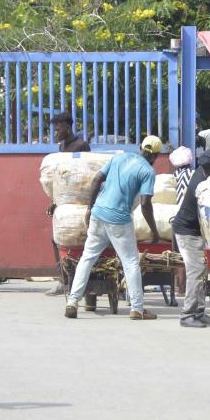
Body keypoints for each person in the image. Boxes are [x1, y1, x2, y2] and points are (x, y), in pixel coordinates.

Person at [64, 136, 163, 320]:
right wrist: (154, 232)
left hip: (98, 213)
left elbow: (96, 180)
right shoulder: (147, 171)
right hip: (119, 219)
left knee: (87, 258)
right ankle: (137, 309)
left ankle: (72, 302)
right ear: (155, 155)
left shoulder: (119, 158)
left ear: (140, 147)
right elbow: (145, 203)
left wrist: (89, 208)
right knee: (131, 263)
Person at [172, 150, 210, 328]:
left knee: (200, 270)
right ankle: (188, 315)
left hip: (193, 231)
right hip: (187, 231)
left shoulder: (204, 175)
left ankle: (199, 312)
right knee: (196, 271)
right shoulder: (202, 184)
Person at [45, 113, 91, 297]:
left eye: (58, 129)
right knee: (56, 239)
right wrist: (54, 201)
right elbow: (62, 176)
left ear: (68, 127)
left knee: (82, 240)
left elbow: (84, 174)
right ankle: (63, 280)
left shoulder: (81, 145)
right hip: (65, 200)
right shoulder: (61, 146)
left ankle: (80, 280)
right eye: (54, 129)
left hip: (80, 200)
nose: (55, 133)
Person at [169, 146, 195, 294]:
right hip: (190, 218)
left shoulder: (173, 176)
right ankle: (186, 287)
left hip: (175, 218)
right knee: (188, 255)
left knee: (178, 253)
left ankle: (180, 287)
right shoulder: (194, 174)